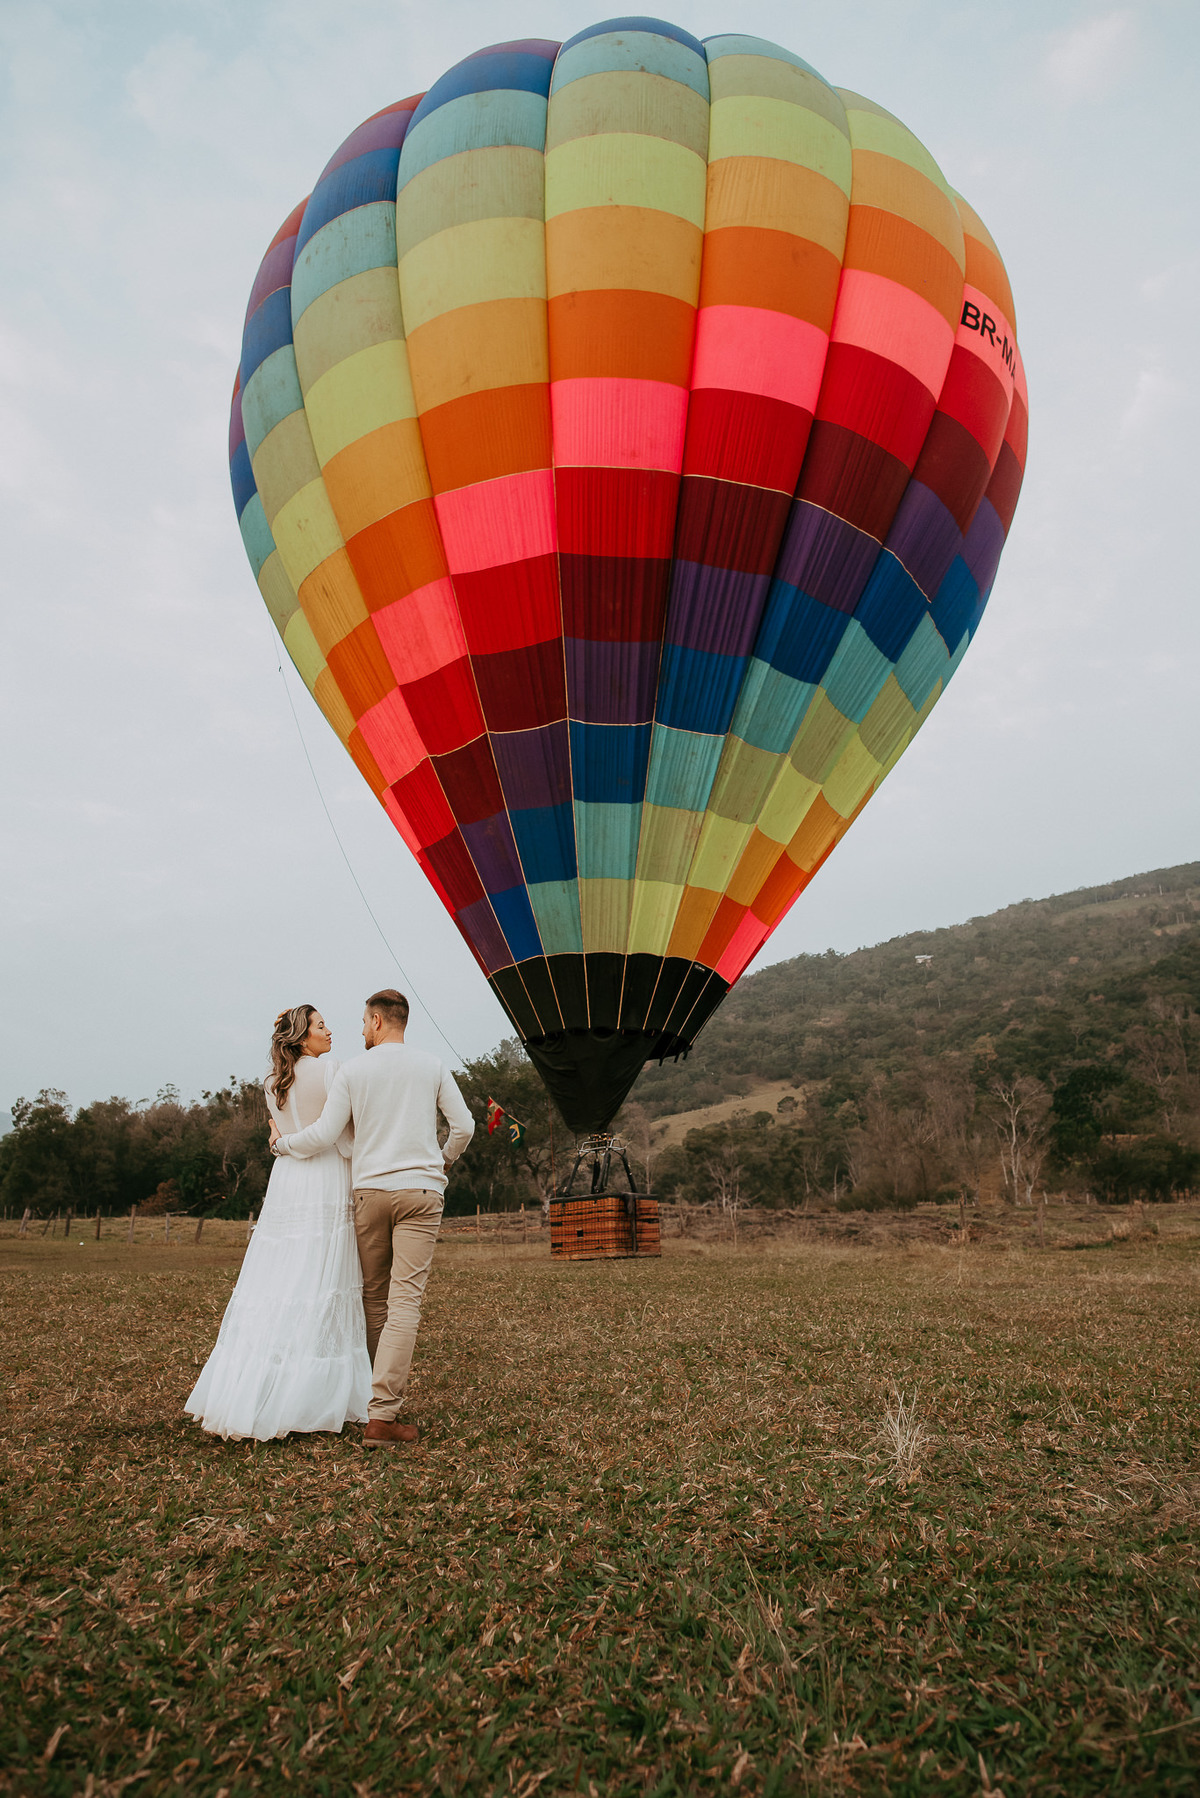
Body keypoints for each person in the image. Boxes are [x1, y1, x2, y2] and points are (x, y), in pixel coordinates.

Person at [269, 988, 474, 1449]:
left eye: (363, 1022)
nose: (359, 1030)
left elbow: (324, 1133)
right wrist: (442, 1161)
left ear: (378, 1022)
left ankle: (372, 1403)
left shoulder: (353, 1071)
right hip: (420, 1192)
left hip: (369, 1193)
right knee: (405, 1302)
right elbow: (465, 1126)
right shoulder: (432, 1065)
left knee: (374, 1299)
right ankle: (382, 1415)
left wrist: (282, 1145)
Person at [185, 1006, 372, 1441]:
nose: (330, 1030)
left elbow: (283, 1133)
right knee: (323, 1277)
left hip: (288, 1179)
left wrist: (282, 1145)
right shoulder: (332, 1071)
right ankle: (317, 1396)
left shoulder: (272, 1083)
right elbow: (342, 1135)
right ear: (303, 1038)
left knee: (282, 1275)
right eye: (321, 1025)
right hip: (325, 1176)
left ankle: (263, 1386)